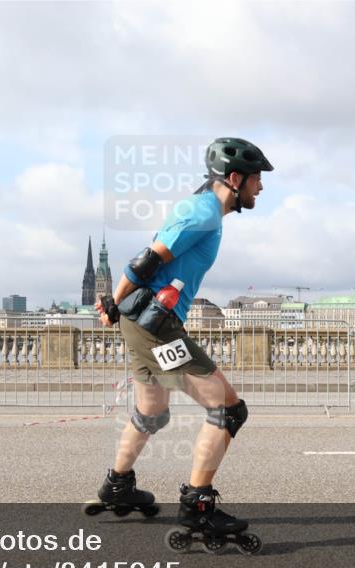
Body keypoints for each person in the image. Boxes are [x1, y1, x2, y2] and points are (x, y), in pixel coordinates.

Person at [93, 137, 272, 541]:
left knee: (152, 412)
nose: (261, 188)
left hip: (143, 324)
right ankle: (198, 506)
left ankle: (118, 484)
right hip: (157, 326)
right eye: (257, 180)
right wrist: (112, 301)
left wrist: (117, 305)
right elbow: (148, 260)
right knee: (228, 410)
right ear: (235, 178)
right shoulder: (204, 211)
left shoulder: (206, 209)